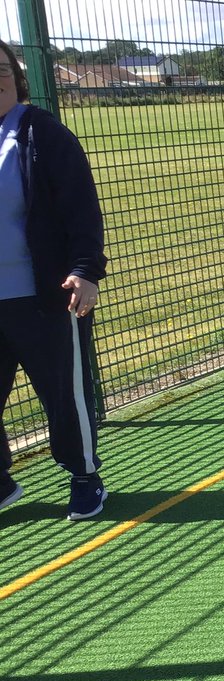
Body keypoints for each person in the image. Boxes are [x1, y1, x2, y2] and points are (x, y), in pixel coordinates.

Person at [0, 40, 107, 520]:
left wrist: (85, 271)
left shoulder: (42, 135)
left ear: (16, 75)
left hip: (42, 297)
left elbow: (81, 208)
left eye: (0, 68)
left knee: (66, 397)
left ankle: (85, 477)